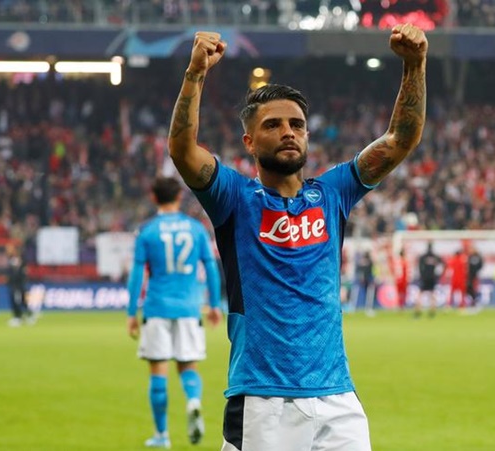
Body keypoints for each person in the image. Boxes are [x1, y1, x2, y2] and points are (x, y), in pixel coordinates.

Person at [168, 24, 427, 451]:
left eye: (297, 124)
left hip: (337, 398)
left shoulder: (333, 194)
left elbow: (401, 138)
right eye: (273, 125)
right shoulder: (234, 198)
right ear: (249, 141)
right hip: (263, 401)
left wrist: (415, 64)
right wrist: (195, 73)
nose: (288, 131)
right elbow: (182, 149)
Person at [126, 176, 222, 449]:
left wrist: (132, 312)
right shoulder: (196, 229)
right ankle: (193, 401)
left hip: (157, 307)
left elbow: (137, 275)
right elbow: (211, 267)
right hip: (189, 308)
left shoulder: (147, 231)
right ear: (179, 197)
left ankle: (162, 436)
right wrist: (214, 304)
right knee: (188, 366)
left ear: (154, 198)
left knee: (158, 370)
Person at [6, 242, 34, 326]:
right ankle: (20, 316)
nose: (7, 251)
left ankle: (21, 317)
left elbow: (23, 272)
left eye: (9, 249)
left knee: (20, 300)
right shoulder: (10, 260)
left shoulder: (20, 260)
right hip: (12, 284)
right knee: (15, 301)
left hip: (19, 284)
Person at [416, 241, 444, 318]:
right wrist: (438, 275)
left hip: (424, 277)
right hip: (432, 277)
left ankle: (418, 311)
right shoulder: (435, 257)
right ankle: (432, 311)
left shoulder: (423, 257)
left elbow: (419, 267)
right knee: (432, 294)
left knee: (420, 294)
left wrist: (422, 275)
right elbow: (442, 264)